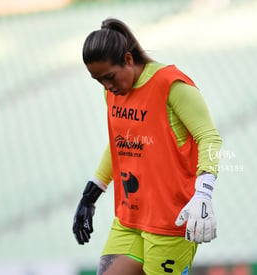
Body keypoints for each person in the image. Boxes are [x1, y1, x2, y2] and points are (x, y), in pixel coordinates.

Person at [72, 18, 222, 275]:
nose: (107, 87)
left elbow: (209, 138)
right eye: (99, 81)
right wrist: (91, 193)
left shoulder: (171, 85)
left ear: (128, 60)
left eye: (109, 77)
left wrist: (203, 194)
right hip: (129, 219)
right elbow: (120, 142)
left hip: (169, 223)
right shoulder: (113, 92)